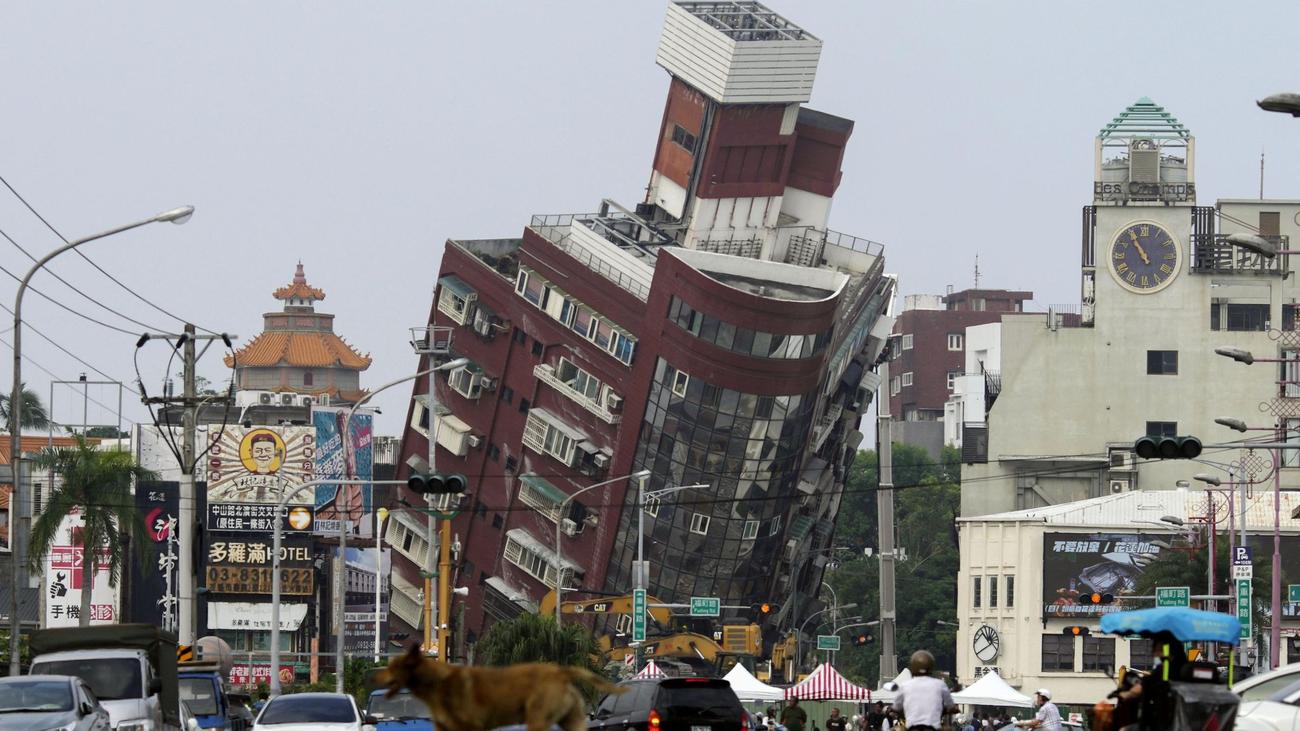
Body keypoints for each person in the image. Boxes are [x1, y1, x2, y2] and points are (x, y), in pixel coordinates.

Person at [891, 650, 955, 731]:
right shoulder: (940, 684)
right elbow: (950, 705)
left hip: (912, 727)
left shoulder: (905, 685)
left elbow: (896, 707)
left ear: (913, 666)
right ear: (931, 666)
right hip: (933, 727)